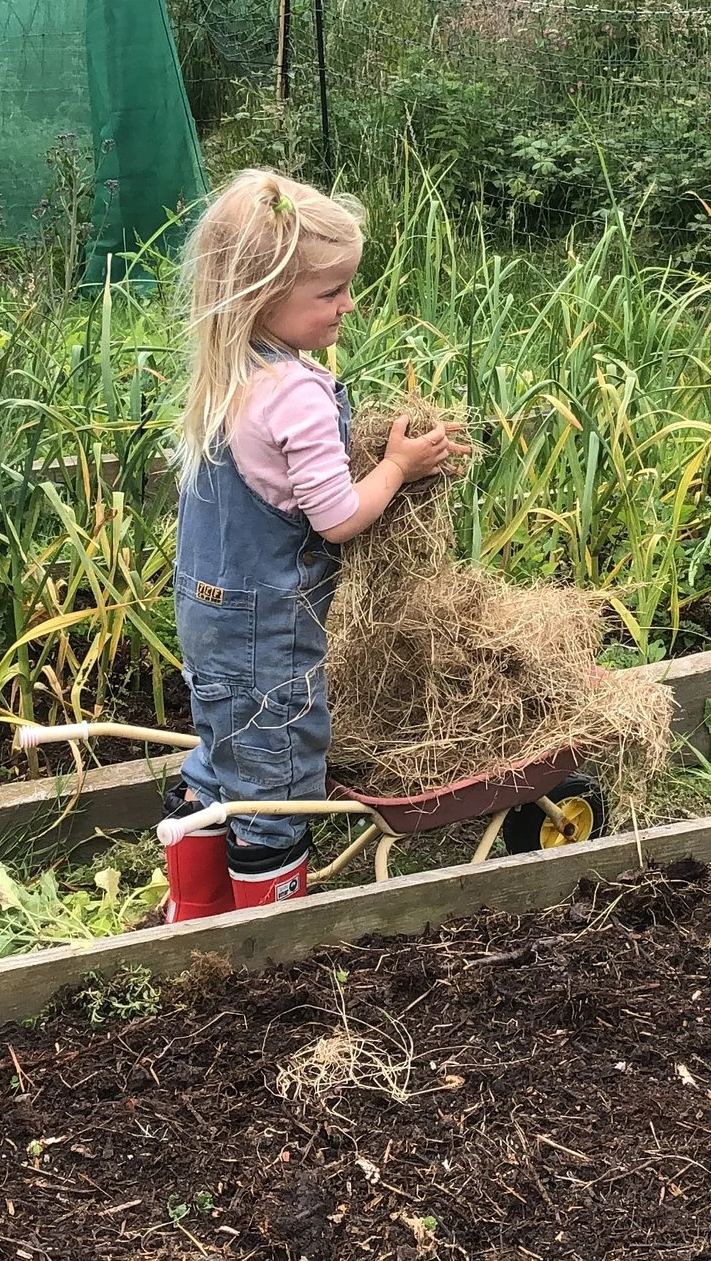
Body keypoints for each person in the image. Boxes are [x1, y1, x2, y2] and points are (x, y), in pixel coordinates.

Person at [165, 168, 468, 920]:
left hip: (209, 606)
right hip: (268, 621)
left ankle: (194, 915)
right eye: (329, 293)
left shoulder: (229, 370)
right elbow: (335, 516)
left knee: (224, 748)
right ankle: (269, 943)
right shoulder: (296, 391)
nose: (348, 304)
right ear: (264, 296)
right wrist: (398, 466)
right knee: (279, 778)